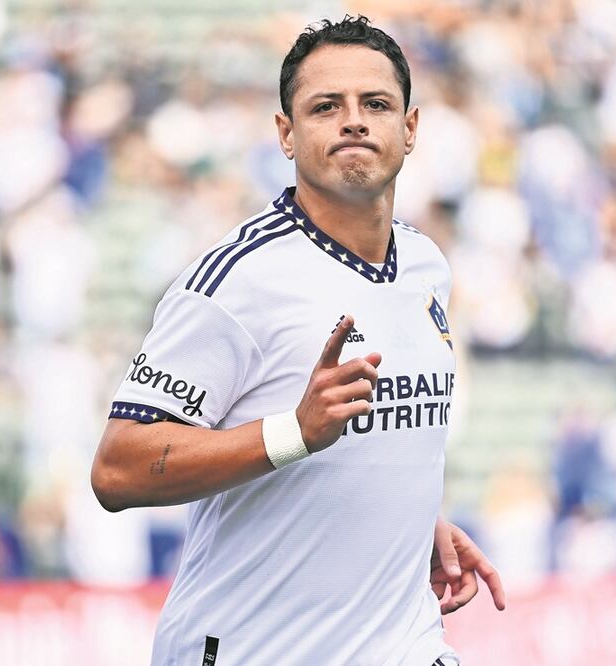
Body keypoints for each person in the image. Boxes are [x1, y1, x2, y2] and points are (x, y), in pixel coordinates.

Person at [91, 16, 505, 665]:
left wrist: (403, 523)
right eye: (325, 106)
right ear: (286, 133)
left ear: (410, 128)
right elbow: (117, 470)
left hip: (401, 644)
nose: (353, 121)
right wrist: (294, 433)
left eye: (375, 104)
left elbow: (371, 444)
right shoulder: (237, 281)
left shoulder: (427, 266)